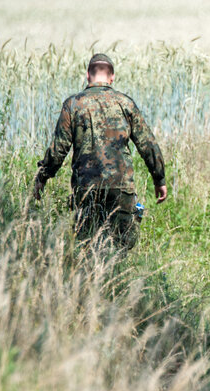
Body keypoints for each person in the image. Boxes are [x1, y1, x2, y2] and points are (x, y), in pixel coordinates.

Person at [33, 53, 167, 253]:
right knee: (122, 247)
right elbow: (147, 144)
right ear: (112, 77)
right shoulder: (125, 103)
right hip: (121, 187)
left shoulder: (73, 104)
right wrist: (159, 179)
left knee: (87, 247)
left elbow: (59, 149)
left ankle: (92, 282)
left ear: (88, 75)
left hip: (86, 188)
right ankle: (117, 281)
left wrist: (41, 178)